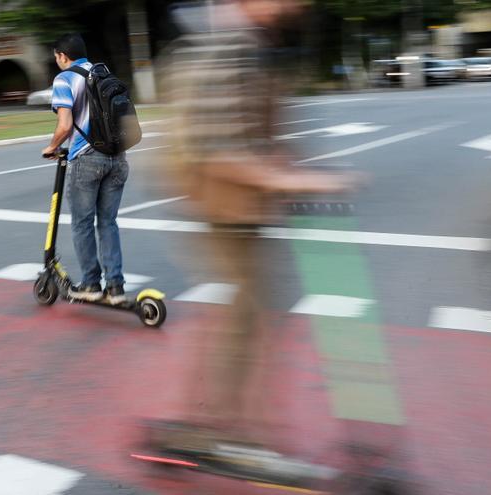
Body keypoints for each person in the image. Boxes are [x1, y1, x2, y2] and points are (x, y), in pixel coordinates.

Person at [152, 0, 356, 453]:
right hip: (220, 203)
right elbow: (216, 147)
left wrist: (285, 167)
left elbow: (253, 128)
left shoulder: (253, 41)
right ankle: (215, 429)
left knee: (246, 313)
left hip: (241, 202)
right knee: (241, 316)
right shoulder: (226, 44)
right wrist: (289, 178)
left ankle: (223, 424)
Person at [42, 33, 128, 304]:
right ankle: (115, 287)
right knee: (108, 222)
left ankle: (91, 284)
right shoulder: (102, 72)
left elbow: (65, 125)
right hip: (117, 157)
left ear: (61, 56)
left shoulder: (64, 79)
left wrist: (51, 146)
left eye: (56, 56)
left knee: (82, 223)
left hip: (87, 158)